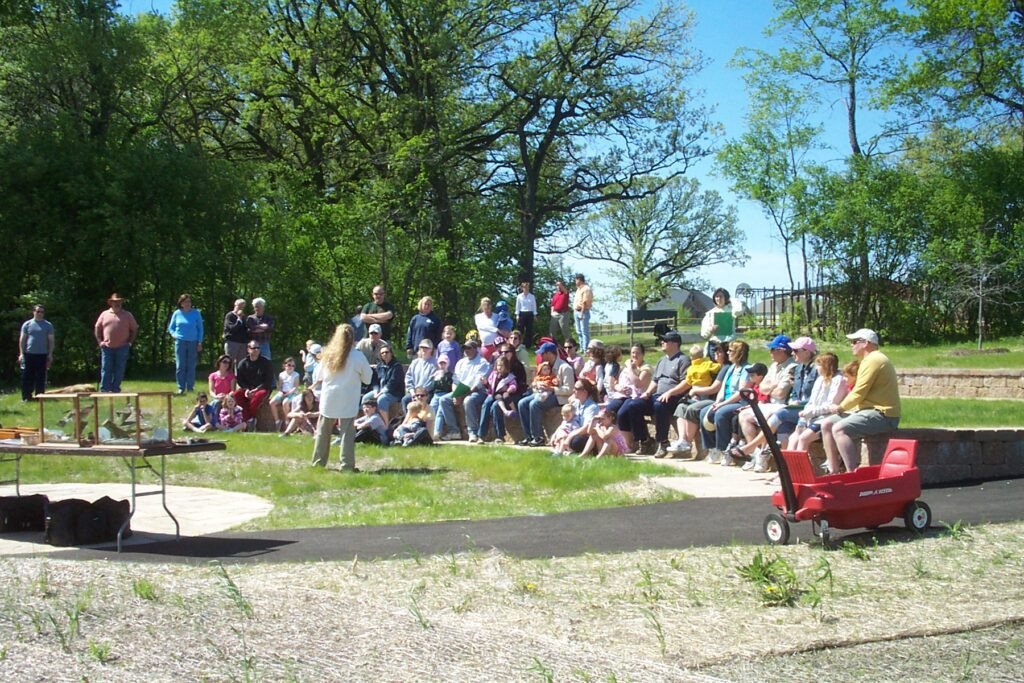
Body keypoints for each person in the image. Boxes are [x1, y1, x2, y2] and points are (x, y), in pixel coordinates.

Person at [821, 328, 901, 473]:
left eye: (854, 342)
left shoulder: (874, 360)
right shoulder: (870, 360)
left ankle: (852, 473)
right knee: (826, 424)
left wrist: (840, 407)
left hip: (884, 415)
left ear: (866, 343)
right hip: (868, 411)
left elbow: (859, 392)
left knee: (839, 429)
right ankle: (833, 471)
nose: (851, 345)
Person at [735, 336, 818, 472]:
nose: (793, 353)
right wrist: (774, 388)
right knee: (780, 425)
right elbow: (761, 388)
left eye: (796, 351)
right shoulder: (797, 370)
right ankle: (784, 470)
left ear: (807, 352)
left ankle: (752, 448)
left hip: (803, 408)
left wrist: (771, 389)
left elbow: (781, 394)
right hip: (794, 407)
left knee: (779, 414)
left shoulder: (812, 370)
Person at [618, 331, 691, 457]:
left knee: (659, 405)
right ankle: (645, 440)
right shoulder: (661, 361)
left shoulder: (683, 360)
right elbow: (655, 381)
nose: (662, 342)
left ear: (675, 343)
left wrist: (670, 392)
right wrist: (647, 392)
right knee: (634, 405)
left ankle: (663, 442)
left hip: (675, 396)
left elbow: (687, 382)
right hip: (658, 395)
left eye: (665, 340)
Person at [312, 323, 373, 470]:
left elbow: (317, 376)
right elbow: (368, 379)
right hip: (348, 398)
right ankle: (347, 465)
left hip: (329, 397)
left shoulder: (328, 355)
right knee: (347, 434)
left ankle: (318, 463)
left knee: (323, 431)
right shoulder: (358, 356)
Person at [668, 342, 730, 457]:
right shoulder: (711, 365)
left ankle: (687, 442)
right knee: (681, 406)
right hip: (705, 397)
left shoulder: (724, 368)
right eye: (715, 350)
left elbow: (715, 388)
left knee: (692, 409)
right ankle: (682, 440)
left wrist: (696, 391)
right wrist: (671, 392)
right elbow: (688, 381)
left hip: (714, 399)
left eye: (719, 351)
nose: (716, 353)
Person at [699, 341, 754, 464]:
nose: (728, 353)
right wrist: (718, 402)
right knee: (704, 412)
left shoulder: (746, 369)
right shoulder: (730, 368)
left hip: (739, 402)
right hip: (725, 401)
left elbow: (741, 393)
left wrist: (723, 404)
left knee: (720, 414)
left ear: (738, 353)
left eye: (731, 351)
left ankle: (724, 450)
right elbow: (723, 388)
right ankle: (712, 448)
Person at [788, 352, 849, 456]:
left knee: (803, 438)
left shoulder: (839, 380)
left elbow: (831, 405)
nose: (816, 368)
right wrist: (803, 420)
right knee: (793, 437)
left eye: (818, 365)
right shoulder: (820, 379)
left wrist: (810, 412)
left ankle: (800, 469)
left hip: (825, 418)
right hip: (811, 417)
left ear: (826, 366)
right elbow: (811, 402)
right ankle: (788, 468)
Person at [516, 342, 574, 447]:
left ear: (549, 354)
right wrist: (537, 385)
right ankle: (529, 437)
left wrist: (551, 388)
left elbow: (569, 389)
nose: (540, 356)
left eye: (542, 353)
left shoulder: (565, 367)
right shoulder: (544, 366)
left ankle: (538, 438)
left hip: (559, 396)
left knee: (535, 404)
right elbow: (536, 380)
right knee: (522, 403)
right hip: (543, 392)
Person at [436, 339, 490, 440]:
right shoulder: (460, 362)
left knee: (468, 400)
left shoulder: (483, 363)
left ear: (475, 349)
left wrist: (462, 395)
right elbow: (455, 381)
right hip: (461, 391)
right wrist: (456, 394)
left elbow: (477, 385)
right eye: (464, 348)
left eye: (469, 348)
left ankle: (473, 432)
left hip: (478, 392)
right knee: (443, 400)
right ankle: (454, 431)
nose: (466, 350)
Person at [94, 293, 138, 393]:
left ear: (121, 303)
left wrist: (130, 342)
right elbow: (97, 327)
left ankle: (115, 388)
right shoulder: (104, 314)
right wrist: (100, 342)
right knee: (106, 368)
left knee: (120, 369)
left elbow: (135, 329)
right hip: (107, 347)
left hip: (122, 346)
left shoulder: (127, 315)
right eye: (115, 302)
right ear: (111, 303)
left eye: (118, 302)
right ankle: (105, 388)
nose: (117, 304)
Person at [477, 354, 519, 444]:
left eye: (501, 365)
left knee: (495, 407)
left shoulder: (509, 377)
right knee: (486, 405)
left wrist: (509, 389)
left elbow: (513, 385)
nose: (499, 367)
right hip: (492, 395)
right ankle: (481, 435)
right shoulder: (493, 375)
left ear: (506, 367)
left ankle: (499, 436)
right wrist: (485, 383)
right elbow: (489, 385)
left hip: (501, 397)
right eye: (498, 365)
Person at [167, 293, 204, 395]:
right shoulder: (177, 313)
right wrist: (174, 335)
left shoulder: (196, 313)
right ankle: (181, 387)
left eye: (189, 302)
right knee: (180, 365)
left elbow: (200, 329)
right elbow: (171, 328)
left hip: (193, 342)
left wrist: (199, 342)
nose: (188, 304)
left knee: (191, 365)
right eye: (185, 302)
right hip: (180, 341)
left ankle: (190, 387)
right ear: (181, 303)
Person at [232, 341, 275, 423]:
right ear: (248, 349)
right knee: (236, 395)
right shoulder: (243, 363)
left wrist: (256, 389)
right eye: (253, 348)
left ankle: (252, 418)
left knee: (257, 397)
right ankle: (248, 419)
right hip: (247, 390)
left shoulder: (266, 363)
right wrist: (246, 389)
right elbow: (240, 380)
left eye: (258, 348)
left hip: (262, 389)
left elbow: (268, 380)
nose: (256, 350)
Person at [18, 304, 54, 401]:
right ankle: (26, 397)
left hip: (42, 354)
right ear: (34, 312)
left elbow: (51, 340)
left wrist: (50, 354)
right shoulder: (27, 324)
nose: (40, 314)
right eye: (38, 311)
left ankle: (40, 397)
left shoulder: (48, 325)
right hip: (29, 354)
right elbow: (22, 339)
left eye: (42, 312)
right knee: (27, 376)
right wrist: (21, 353)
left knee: (41, 377)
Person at [364, 343, 405, 418]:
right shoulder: (380, 366)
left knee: (382, 399)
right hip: (379, 391)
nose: (385, 354)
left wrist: (381, 393)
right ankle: (369, 421)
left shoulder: (396, 366)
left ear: (391, 353)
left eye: (387, 352)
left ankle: (384, 425)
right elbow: (375, 381)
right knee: (365, 398)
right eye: (382, 353)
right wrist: (376, 390)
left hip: (394, 393)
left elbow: (393, 383)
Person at [403, 339, 439, 410]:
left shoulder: (435, 363)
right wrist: (413, 392)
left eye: (427, 348)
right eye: (422, 347)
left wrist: (420, 394)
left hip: (427, 393)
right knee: (405, 400)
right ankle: (410, 420)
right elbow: (408, 377)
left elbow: (433, 381)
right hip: (414, 392)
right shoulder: (414, 363)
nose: (424, 349)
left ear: (431, 350)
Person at [269, 357, 301, 431]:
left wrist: (287, 394)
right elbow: (280, 386)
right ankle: (277, 421)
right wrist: (280, 392)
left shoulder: (296, 374)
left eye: (293, 366)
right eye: (289, 365)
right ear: (285, 365)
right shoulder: (281, 374)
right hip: (283, 392)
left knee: (285, 402)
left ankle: (287, 421)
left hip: (292, 393)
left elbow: (295, 387)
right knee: (272, 402)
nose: (291, 367)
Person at [207, 354, 236, 422]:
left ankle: (217, 422)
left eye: (228, 362)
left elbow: (233, 391)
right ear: (219, 362)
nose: (226, 364)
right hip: (217, 397)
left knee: (219, 403)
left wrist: (226, 397)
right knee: (216, 402)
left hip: (228, 398)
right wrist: (216, 396)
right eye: (224, 362)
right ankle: (213, 422)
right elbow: (211, 391)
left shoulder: (231, 376)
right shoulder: (213, 376)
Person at [222, 299, 249, 368]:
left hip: (242, 343)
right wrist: (239, 319)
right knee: (230, 363)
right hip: (232, 342)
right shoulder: (230, 316)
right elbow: (232, 328)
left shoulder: (244, 317)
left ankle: (240, 378)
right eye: (239, 306)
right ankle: (229, 378)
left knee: (241, 364)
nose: (241, 309)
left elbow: (247, 329)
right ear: (235, 305)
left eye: (242, 307)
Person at [573, 273, 594, 351]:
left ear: (579, 279)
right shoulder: (578, 289)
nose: (575, 281)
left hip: (583, 312)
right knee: (579, 331)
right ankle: (581, 348)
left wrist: (581, 313)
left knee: (584, 331)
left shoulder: (586, 289)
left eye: (576, 279)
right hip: (576, 311)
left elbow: (585, 302)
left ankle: (586, 349)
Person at [515, 281, 537, 348]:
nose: (526, 289)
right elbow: (517, 306)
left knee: (529, 330)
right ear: (522, 288)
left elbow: (534, 306)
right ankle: (518, 344)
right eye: (524, 287)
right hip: (522, 313)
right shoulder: (519, 296)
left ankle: (527, 345)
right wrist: (517, 315)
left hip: (529, 313)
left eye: (527, 287)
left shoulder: (532, 296)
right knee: (520, 330)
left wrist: (535, 314)